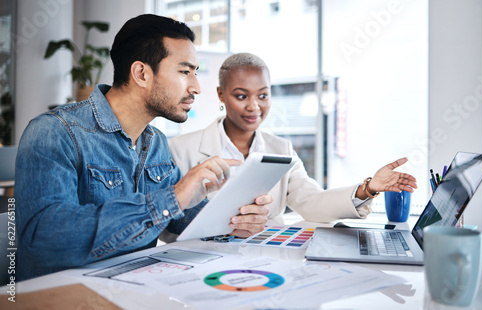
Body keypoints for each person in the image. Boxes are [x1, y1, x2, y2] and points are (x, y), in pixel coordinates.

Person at [14, 16, 270, 281]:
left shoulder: (155, 141)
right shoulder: (54, 132)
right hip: (62, 297)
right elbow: (44, 239)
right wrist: (175, 197)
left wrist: (236, 218)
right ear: (141, 74)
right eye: (185, 72)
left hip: (133, 288)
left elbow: (178, 217)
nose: (196, 87)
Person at [169, 53, 417, 224]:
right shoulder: (181, 150)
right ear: (221, 95)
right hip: (206, 266)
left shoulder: (281, 148)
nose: (254, 107)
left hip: (269, 261)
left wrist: (368, 188)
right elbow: (171, 224)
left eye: (263, 96)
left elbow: (312, 201)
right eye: (241, 96)